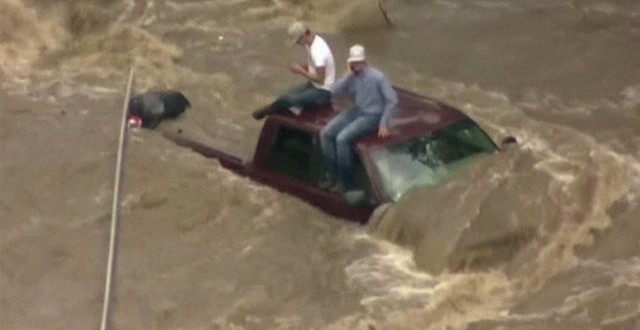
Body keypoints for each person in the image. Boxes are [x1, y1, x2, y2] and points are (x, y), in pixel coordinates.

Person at [320, 44, 398, 193]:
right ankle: (332, 174)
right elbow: (334, 92)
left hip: (373, 115)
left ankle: (347, 182)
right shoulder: (351, 77)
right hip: (357, 110)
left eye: (359, 62)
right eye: (354, 63)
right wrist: (348, 75)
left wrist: (384, 122)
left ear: (365, 61)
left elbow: (392, 100)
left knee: (342, 139)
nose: (357, 66)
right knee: (326, 133)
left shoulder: (378, 77)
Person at [252, 21, 336, 120]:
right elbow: (316, 67)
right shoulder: (312, 42)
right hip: (313, 85)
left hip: (323, 92)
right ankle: (278, 115)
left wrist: (300, 71)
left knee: (288, 100)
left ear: (304, 36)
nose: (298, 44)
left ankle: (262, 113)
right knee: (283, 98)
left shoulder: (318, 52)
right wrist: (303, 66)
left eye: (298, 41)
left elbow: (320, 79)